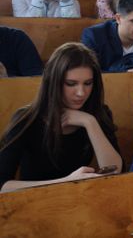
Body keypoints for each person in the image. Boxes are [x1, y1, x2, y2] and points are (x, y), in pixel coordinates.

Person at [0, 43, 122, 192]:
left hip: (79, 198)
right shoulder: (26, 119)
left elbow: (115, 171)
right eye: (71, 84)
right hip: (34, 200)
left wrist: (89, 122)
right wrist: (65, 182)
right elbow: (2, 185)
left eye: (88, 83)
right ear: (53, 82)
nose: (81, 93)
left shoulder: (97, 113)